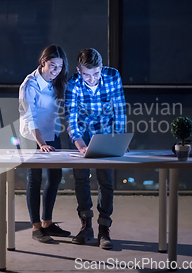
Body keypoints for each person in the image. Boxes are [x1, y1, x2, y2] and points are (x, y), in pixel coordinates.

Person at [65, 48, 127, 250]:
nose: (91, 79)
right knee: (81, 179)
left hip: (105, 133)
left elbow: (119, 108)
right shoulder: (73, 83)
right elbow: (71, 116)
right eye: (86, 74)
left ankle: (104, 228)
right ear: (78, 70)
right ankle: (86, 226)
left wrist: (118, 140)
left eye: (96, 73)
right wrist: (80, 143)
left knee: (106, 180)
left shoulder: (112, 75)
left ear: (102, 68)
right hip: (81, 134)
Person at [19, 44, 71, 243]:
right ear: (43, 62)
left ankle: (47, 222)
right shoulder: (30, 84)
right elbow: (30, 116)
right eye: (53, 66)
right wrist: (41, 143)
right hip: (32, 136)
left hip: (52, 132)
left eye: (60, 67)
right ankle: (35, 227)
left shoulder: (57, 82)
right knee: (35, 179)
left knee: (55, 176)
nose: (56, 71)